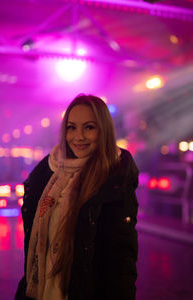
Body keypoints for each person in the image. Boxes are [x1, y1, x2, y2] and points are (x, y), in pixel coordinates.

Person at [15, 94, 139, 300]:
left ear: (103, 131)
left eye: (89, 127)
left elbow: (121, 259)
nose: (78, 136)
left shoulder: (112, 177)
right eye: (71, 127)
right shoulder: (49, 173)